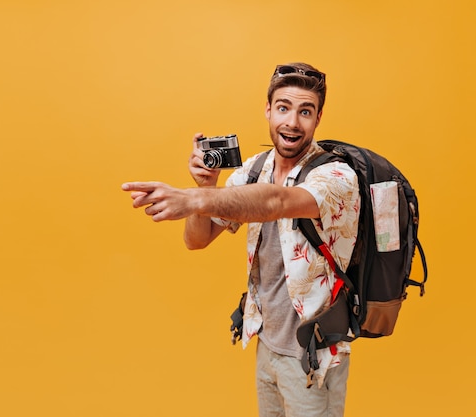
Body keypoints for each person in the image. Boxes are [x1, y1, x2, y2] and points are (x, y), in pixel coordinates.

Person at [122, 62, 360, 417]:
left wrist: (191, 198)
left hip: (313, 355)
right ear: (268, 110)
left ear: (318, 117)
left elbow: (276, 202)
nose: (292, 122)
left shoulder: (336, 176)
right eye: (283, 108)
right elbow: (197, 239)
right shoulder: (254, 169)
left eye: (305, 111)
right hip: (266, 344)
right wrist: (206, 188)